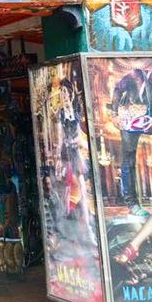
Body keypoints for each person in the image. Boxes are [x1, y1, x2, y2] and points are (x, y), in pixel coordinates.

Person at [111, 64, 152, 215]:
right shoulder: (133, 76)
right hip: (130, 119)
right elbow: (117, 90)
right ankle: (132, 203)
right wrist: (114, 115)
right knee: (128, 159)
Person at [55, 78, 94, 240]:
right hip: (67, 152)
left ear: (70, 93)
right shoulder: (61, 113)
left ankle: (86, 223)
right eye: (61, 92)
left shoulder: (76, 112)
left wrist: (80, 142)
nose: (63, 95)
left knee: (81, 187)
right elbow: (60, 138)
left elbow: (79, 132)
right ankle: (66, 222)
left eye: (65, 91)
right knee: (67, 187)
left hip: (76, 151)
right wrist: (58, 158)